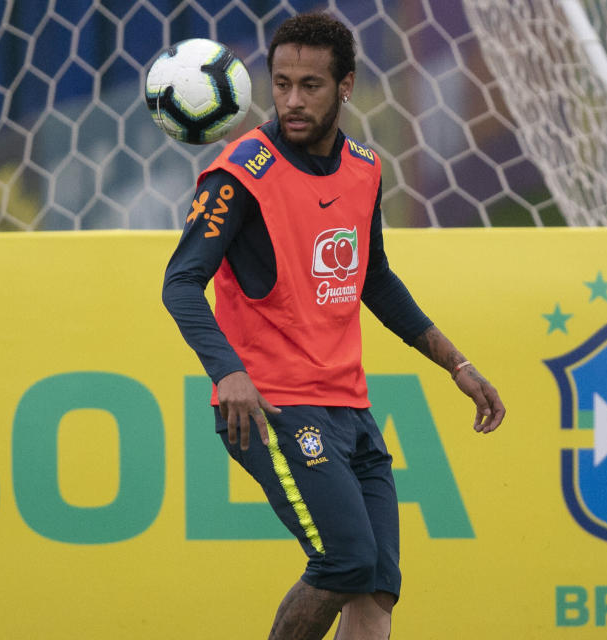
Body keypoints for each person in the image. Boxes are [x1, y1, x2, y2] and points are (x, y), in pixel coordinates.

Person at [161, 12, 506, 640]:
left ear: (345, 85)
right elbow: (181, 283)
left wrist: (457, 363)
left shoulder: (365, 168)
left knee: (374, 584)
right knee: (344, 562)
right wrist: (229, 373)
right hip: (272, 407)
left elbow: (374, 278)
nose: (292, 100)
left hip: (350, 409)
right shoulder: (240, 174)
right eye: (281, 83)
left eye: (310, 86)